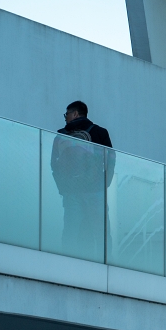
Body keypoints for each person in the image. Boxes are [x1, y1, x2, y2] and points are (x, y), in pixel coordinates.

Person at [50, 101, 113, 260]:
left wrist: (63, 188)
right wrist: (105, 184)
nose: (65, 118)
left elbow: (54, 165)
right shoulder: (100, 132)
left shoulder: (61, 136)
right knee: (101, 231)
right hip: (95, 190)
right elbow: (111, 159)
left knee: (71, 230)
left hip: (72, 191)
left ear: (75, 114)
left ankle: (67, 263)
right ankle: (107, 264)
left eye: (67, 114)